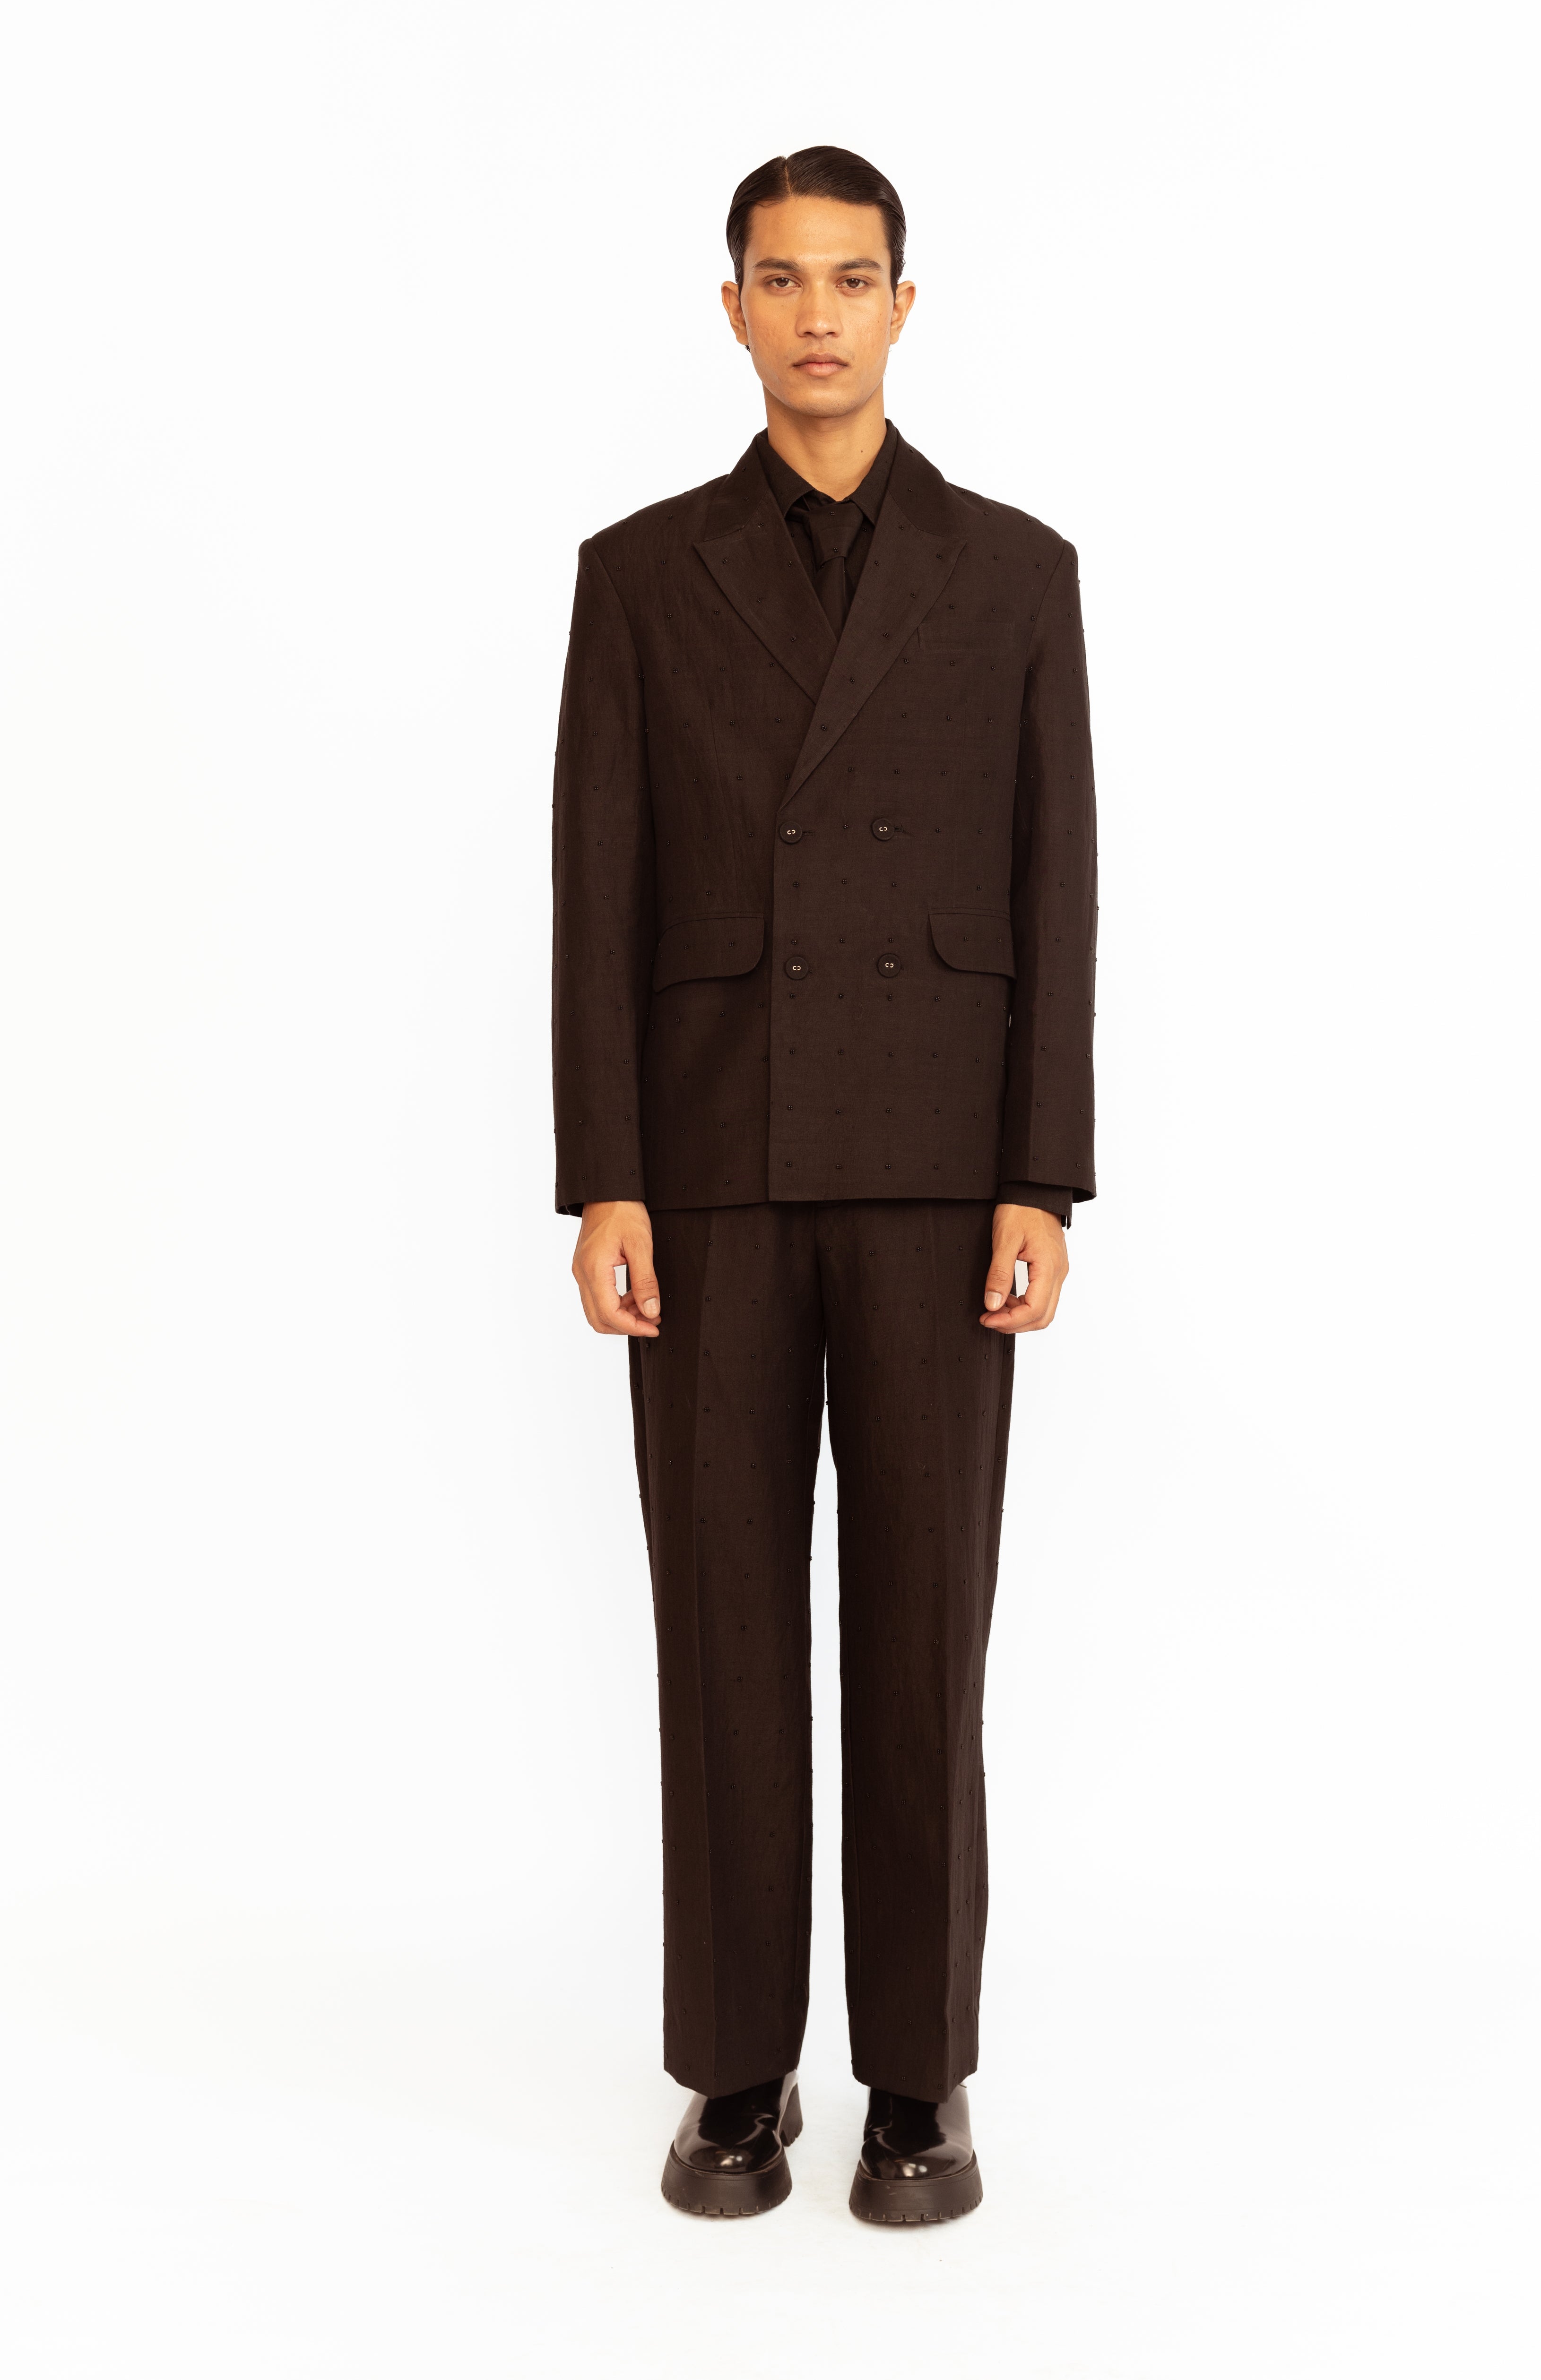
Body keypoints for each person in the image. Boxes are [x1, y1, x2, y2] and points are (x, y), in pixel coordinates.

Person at [551, 146, 1096, 2224]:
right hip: (705, 1166)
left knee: (921, 1625)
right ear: (731, 309)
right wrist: (605, 1175)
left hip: (943, 1168)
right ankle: (733, 2072)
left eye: (849, 280)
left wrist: (1040, 1174)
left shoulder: (1015, 572)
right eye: (778, 280)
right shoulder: (637, 572)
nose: (814, 316)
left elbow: (1058, 885)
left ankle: (918, 2080)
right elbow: (595, 893)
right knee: (720, 1627)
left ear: (901, 306)